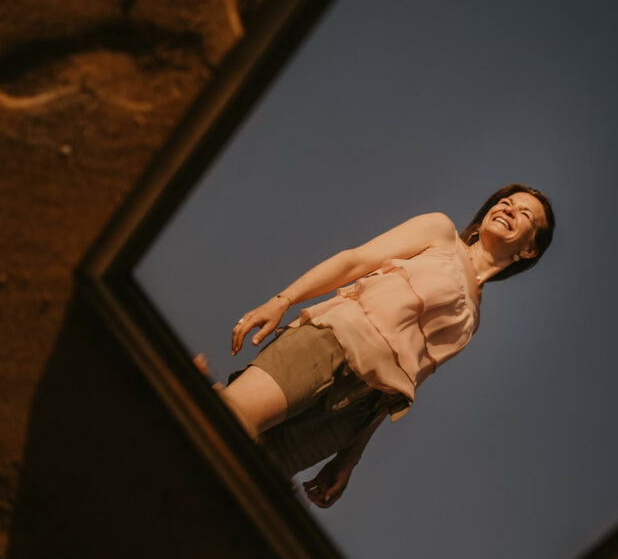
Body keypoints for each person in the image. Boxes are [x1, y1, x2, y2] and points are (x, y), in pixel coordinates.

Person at [220, 183, 555, 507]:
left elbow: (405, 380)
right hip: (330, 344)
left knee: (247, 480)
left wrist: (350, 457)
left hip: (354, 411)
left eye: (525, 213)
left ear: (529, 250)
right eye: (505, 202)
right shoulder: (440, 233)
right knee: (229, 420)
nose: (509, 209)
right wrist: (283, 300)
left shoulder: (472, 320)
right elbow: (354, 261)